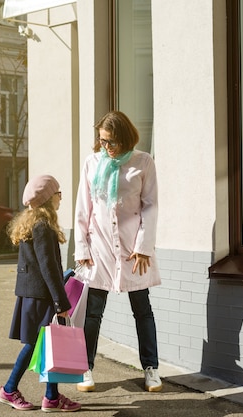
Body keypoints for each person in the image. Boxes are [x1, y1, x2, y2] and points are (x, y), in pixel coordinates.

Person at [74, 111, 163, 393]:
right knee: (92, 312)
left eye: (111, 142)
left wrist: (143, 246)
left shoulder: (143, 162)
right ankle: (85, 368)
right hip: (99, 247)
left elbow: (151, 206)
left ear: (125, 139)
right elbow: (82, 209)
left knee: (142, 309)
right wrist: (81, 248)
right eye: (102, 141)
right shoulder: (92, 162)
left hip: (133, 250)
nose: (107, 148)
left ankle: (151, 368)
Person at [0, 174, 81, 412]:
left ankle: (51, 398)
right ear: (48, 198)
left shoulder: (33, 222)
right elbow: (48, 267)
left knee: (46, 345)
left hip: (33, 295)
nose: (61, 197)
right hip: (40, 297)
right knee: (36, 345)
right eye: (58, 193)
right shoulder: (43, 226)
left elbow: (40, 267)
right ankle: (9, 389)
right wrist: (60, 301)